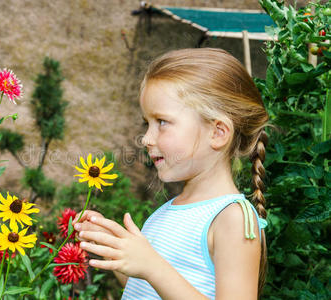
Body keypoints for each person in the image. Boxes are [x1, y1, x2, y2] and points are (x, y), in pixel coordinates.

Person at [72, 48, 269, 299]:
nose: (146, 138)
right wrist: (116, 250)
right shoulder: (167, 212)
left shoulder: (234, 219)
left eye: (162, 122)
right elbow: (146, 290)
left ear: (218, 133)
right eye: (147, 123)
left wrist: (152, 266)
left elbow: (157, 274)